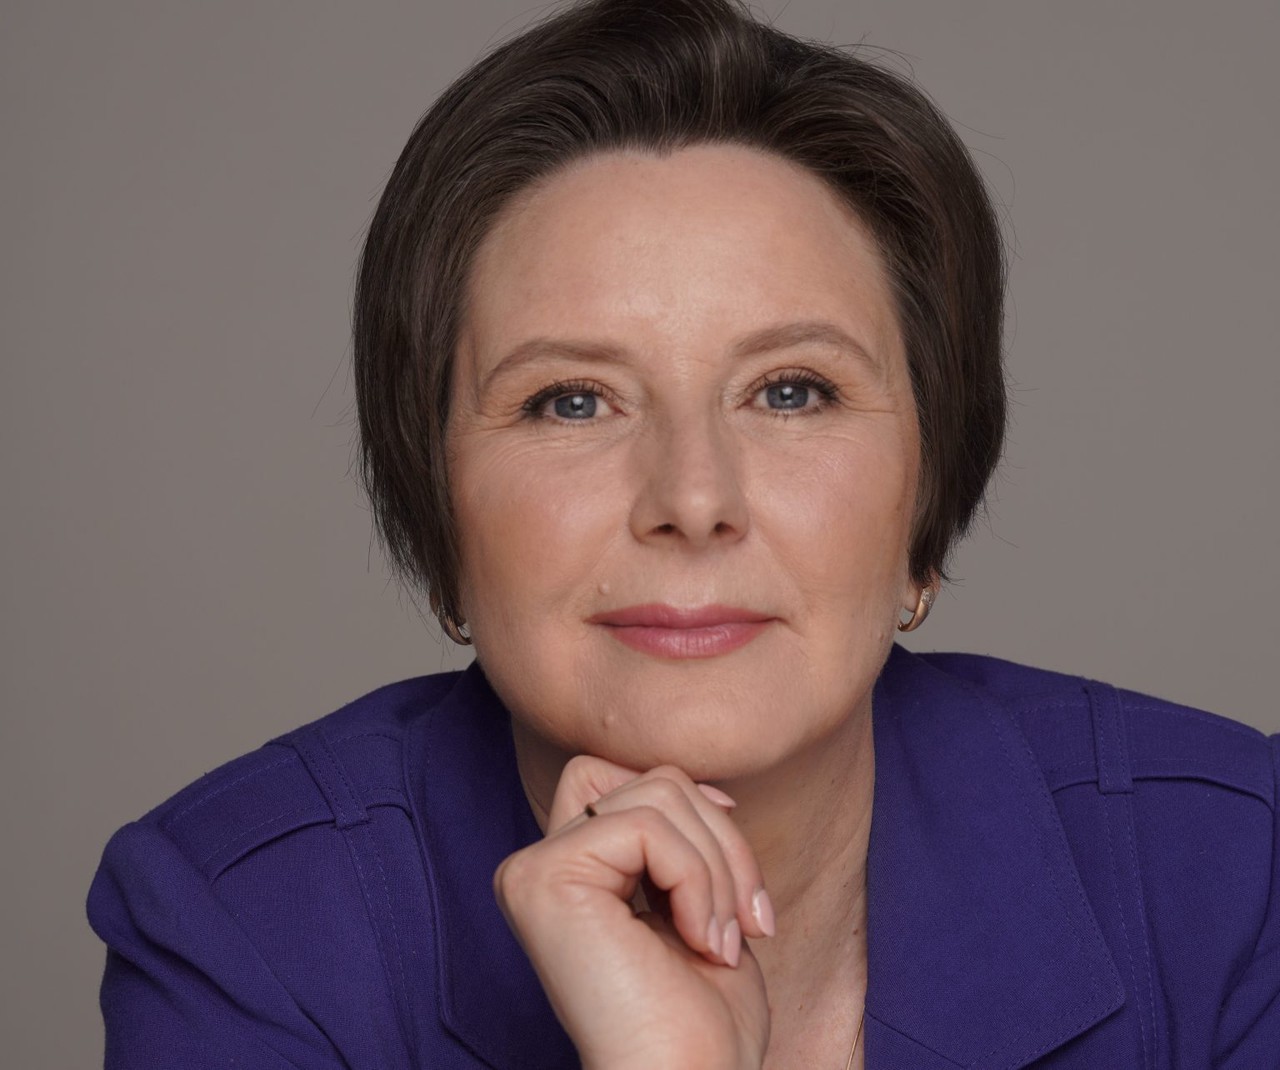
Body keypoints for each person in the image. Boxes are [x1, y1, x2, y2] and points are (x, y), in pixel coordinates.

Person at [86, 0, 1279, 1067]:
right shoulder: (249, 925)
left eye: (791, 390)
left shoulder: (1231, 870)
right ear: (435, 504)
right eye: (571, 401)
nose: (692, 495)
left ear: (925, 498)